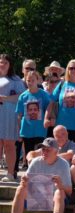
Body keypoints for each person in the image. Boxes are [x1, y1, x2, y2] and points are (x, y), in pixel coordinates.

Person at [0, 138, 72, 213]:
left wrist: (61, 185)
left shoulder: (63, 164)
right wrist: (24, 182)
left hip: (55, 199)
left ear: (56, 152)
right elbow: (26, 183)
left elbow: (69, 191)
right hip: (37, 197)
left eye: (48, 150)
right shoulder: (35, 162)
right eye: (43, 149)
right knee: (20, 188)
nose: (44, 152)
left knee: (59, 192)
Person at [46, 59, 75, 144]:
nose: (73, 70)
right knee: (61, 155)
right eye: (71, 68)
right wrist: (46, 118)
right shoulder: (62, 84)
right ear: (67, 70)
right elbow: (51, 101)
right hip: (61, 128)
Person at [16, 71, 51, 168]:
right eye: (28, 80)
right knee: (29, 154)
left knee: (40, 154)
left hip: (40, 130)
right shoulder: (23, 96)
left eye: (33, 80)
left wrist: (48, 119)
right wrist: (19, 130)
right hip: (27, 131)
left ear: (38, 81)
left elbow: (49, 108)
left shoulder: (44, 95)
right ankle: (30, 174)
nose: (30, 82)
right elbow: (19, 115)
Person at [0, 54, 26, 182]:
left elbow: (21, 97)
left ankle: (10, 173)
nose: (2, 64)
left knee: (9, 144)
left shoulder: (16, 80)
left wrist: (4, 98)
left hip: (9, 115)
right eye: (0, 62)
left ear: (10, 64)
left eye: (5, 62)